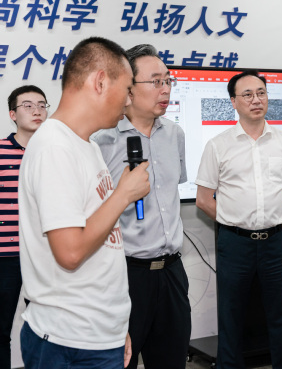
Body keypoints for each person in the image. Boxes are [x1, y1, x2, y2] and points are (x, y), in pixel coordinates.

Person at [18, 37, 150, 368]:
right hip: (68, 342)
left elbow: (102, 242)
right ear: (100, 82)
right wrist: (123, 194)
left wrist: (114, 326)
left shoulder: (85, 145)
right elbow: (71, 252)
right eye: (127, 89)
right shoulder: (54, 147)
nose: (129, 100)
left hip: (97, 333)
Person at [93, 44, 190, 369]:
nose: (166, 89)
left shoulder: (175, 134)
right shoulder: (102, 141)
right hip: (126, 276)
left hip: (172, 273)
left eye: (168, 80)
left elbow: (170, 195)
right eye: (156, 81)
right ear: (129, 88)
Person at [195, 69, 282, 369]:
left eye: (261, 93)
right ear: (234, 102)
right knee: (231, 317)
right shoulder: (218, 145)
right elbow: (203, 199)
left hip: (277, 242)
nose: (256, 100)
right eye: (248, 95)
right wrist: (233, 220)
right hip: (235, 243)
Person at [0, 85, 48, 369]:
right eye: (28, 105)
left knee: (46, 329)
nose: (36, 111)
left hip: (45, 256)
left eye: (42, 105)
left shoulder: (53, 152)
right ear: (12, 114)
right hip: (5, 257)